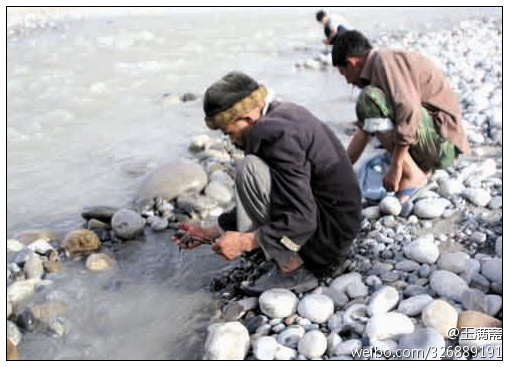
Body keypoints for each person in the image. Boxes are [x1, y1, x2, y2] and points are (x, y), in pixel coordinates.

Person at [174, 71, 362, 295]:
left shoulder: (275, 135)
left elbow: (302, 217)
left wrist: (244, 242)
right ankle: (280, 247)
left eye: (229, 133)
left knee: (250, 169)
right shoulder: (281, 114)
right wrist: (212, 232)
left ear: (247, 118)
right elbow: (282, 193)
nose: (232, 141)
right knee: (254, 170)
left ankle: (295, 263)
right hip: (340, 224)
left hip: (330, 238)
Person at [331, 30, 470, 206]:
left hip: (444, 145)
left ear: (353, 63)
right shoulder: (377, 68)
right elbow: (363, 132)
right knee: (370, 103)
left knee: (369, 99)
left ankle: (413, 175)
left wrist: (396, 166)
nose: (348, 81)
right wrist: (336, 171)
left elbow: (409, 110)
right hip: (433, 141)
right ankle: (418, 169)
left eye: (344, 73)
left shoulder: (384, 61)